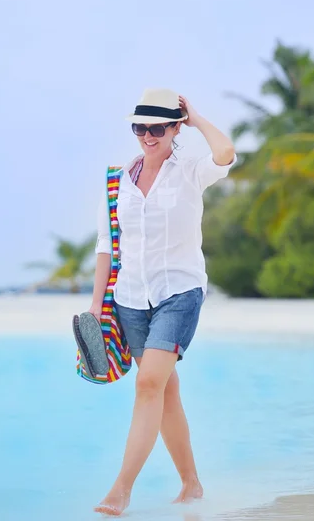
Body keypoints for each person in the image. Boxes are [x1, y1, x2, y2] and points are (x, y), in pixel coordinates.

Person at [90, 88, 236, 516]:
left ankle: (120, 489)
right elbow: (105, 245)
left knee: (149, 384)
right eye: (140, 127)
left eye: (157, 127)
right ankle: (191, 484)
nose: (147, 135)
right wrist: (97, 308)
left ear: (175, 128)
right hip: (129, 298)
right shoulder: (116, 180)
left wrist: (198, 118)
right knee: (165, 391)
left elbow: (225, 153)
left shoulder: (191, 169)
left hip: (180, 292)